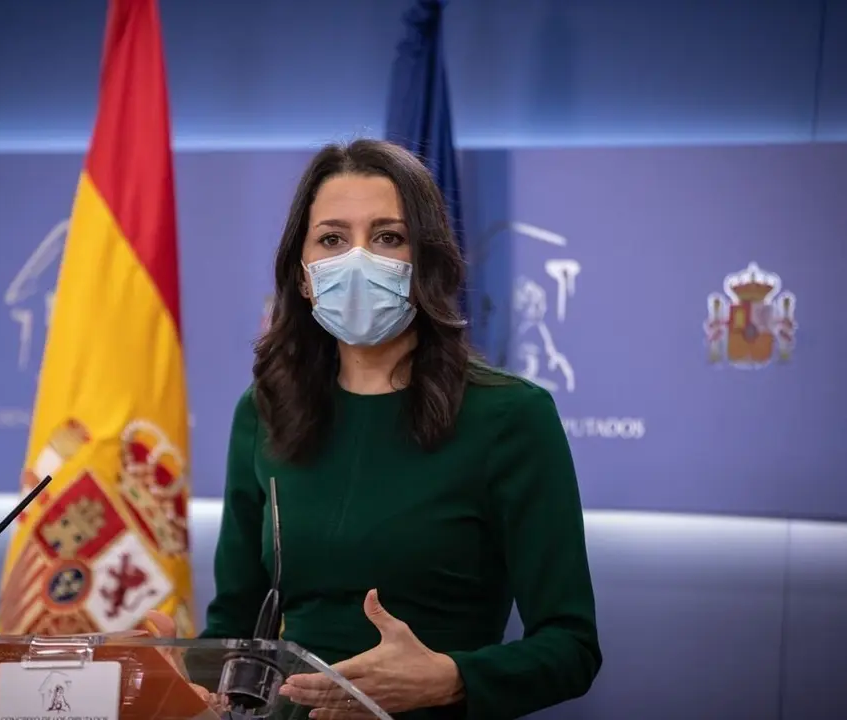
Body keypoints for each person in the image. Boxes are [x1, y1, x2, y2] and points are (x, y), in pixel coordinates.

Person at [153, 138, 601, 719]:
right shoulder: (264, 411)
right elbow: (235, 628)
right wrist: (183, 675)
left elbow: (571, 647)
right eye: (332, 240)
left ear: (427, 261)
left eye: (388, 237)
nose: (358, 259)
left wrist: (449, 678)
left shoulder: (511, 416)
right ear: (303, 274)